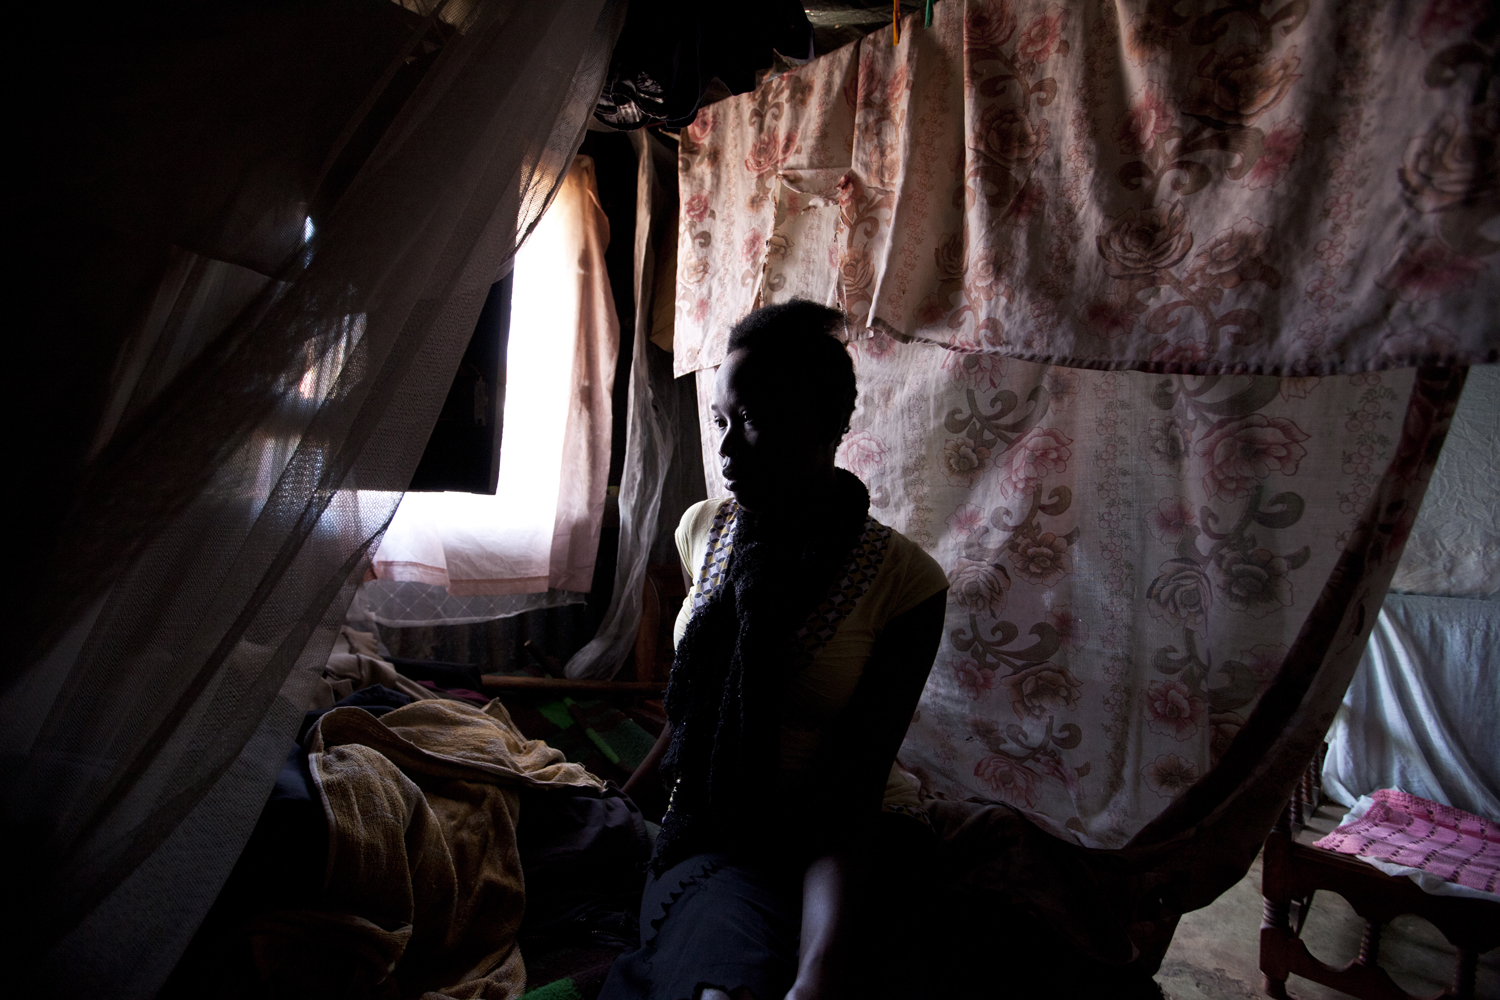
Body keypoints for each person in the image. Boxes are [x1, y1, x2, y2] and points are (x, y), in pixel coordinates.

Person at [600, 300, 948, 1000]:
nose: (726, 450)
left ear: (828, 425)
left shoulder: (905, 582)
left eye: (753, 421)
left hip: (853, 844)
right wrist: (619, 806)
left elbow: (851, 795)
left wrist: (819, 970)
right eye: (720, 421)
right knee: (721, 974)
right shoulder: (704, 530)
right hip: (715, 828)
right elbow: (698, 707)